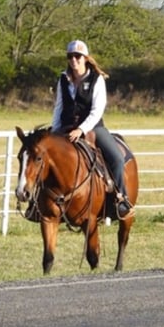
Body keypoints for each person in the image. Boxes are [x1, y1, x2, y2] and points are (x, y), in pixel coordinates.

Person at [51, 39, 132, 217]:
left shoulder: (97, 80)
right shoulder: (63, 79)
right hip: (66, 127)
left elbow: (97, 110)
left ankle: (121, 199)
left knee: (117, 158)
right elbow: (58, 108)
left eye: (78, 56)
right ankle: (39, 203)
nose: (74, 60)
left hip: (93, 128)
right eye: (70, 56)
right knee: (42, 155)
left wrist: (81, 130)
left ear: (85, 58)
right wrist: (54, 132)